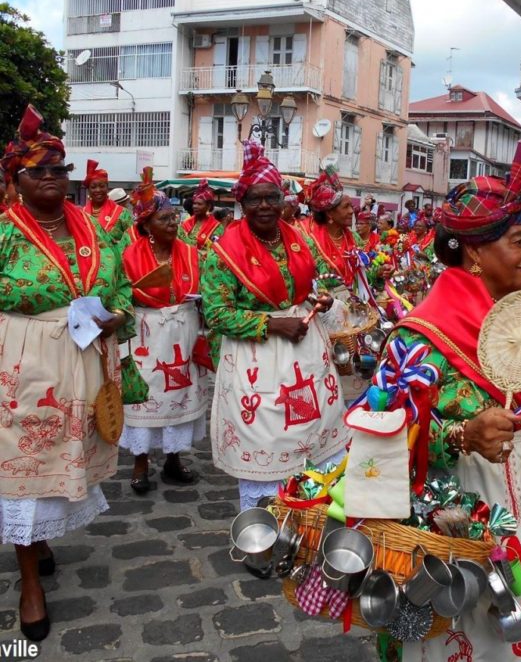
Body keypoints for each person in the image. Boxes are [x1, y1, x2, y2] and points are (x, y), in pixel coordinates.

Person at [380, 156, 521, 661]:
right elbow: (382, 433)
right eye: (517, 241)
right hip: (466, 518)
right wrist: (461, 436)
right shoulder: (420, 336)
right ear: (474, 251)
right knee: (478, 631)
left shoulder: (517, 317)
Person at [0, 106, 133, 640]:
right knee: (26, 465)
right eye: (39, 171)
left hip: (85, 358)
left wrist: (117, 314)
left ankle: (42, 541)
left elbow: (121, 287)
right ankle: (29, 580)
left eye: (60, 170)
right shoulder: (6, 233)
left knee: (62, 458)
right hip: (26, 360)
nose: (53, 178)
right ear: (16, 179)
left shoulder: (95, 231)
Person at [201, 140, 348, 520]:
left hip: (304, 352)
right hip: (257, 358)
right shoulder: (224, 251)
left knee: (312, 430)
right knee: (267, 437)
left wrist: (323, 299)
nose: (264, 206)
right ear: (241, 202)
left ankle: (309, 519)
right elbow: (216, 314)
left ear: (283, 199)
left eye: (271, 197)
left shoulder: (298, 238)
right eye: (254, 199)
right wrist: (271, 323)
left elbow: (320, 281)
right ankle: (262, 529)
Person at [120, 168, 210, 495]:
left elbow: (206, 289)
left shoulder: (189, 252)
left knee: (179, 394)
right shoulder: (129, 255)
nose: (173, 223)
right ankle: (140, 463)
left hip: (183, 331)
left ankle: (173, 458)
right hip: (146, 335)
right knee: (144, 396)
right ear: (146, 226)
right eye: (164, 218)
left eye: (174, 216)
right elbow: (118, 293)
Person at [303, 165, 358, 289]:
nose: (351, 211)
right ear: (329, 213)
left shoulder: (354, 238)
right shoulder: (308, 238)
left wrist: (380, 271)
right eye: (346, 207)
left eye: (351, 206)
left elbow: (364, 274)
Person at [82, 159, 134, 245]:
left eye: (102, 186)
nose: (98, 190)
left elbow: (133, 238)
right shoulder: (81, 214)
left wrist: (116, 246)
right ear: (88, 190)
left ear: (107, 188)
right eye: (93, 187)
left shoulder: (122, 213)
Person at [179, 179, 223, 251]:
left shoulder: (217, 227)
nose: (195, 206)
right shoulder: (186, 223)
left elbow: (215, 250)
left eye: (199, 204)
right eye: (194, 203)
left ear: (208, 206)